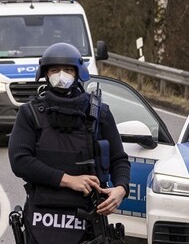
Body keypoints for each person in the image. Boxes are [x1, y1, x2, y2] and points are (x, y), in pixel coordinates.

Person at [8, 43, 130, 244]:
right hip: (42, 217)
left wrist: (121, 189)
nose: (61, 75)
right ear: (45, 74)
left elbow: (119, 160)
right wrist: (68, 180)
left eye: (68, 70)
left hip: (88, 216)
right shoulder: (30, 113)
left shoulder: (99, 113)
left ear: (78, 73)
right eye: (55, 70)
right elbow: (20, 161)